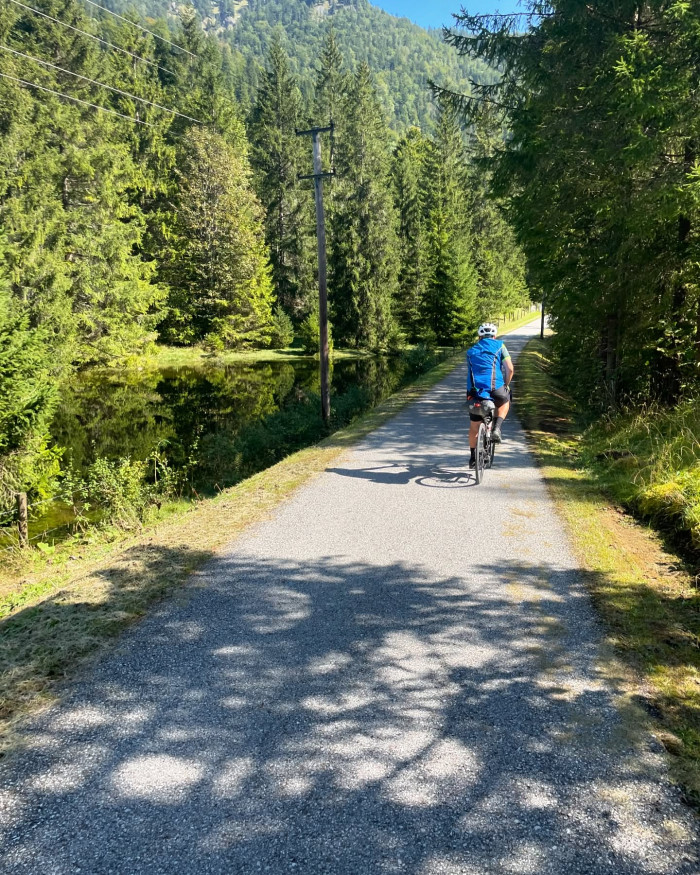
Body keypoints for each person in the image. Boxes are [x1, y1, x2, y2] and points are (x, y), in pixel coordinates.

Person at [466, 322, 514, 468]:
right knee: (505, 399)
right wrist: (505, 385)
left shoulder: (470, 351)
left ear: (479, 336)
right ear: (494, 335)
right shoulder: (500, 346)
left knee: (474, 425)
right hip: (496, 388)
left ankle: (473, 457)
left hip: (475, 392)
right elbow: (510, 369)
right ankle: (497, 428)